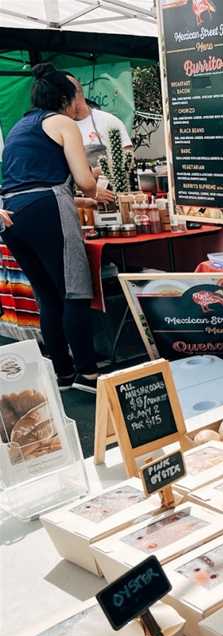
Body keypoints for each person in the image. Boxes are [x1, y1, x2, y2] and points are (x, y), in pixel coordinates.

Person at [0, 63, 112, 392]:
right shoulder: (62, 122)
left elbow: (29, 186)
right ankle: (90, 374)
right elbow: (82, 180)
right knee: (75, 293)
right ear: (66, 98)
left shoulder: (22, 126)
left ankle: (63, 374)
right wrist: (96, 190)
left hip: (12, 215)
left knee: (48, 297)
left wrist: (81, 202)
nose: (82, 99)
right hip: (47, 209)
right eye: (78, 92)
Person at [70, 76, 133, 166]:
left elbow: (127, 157)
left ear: (75, 94)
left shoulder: (109, 121)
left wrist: (99, 172)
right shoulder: (59, 126)